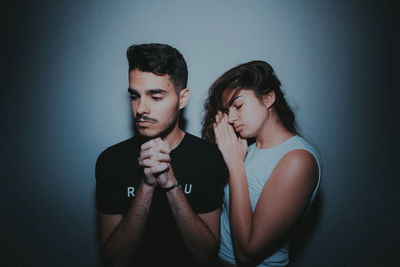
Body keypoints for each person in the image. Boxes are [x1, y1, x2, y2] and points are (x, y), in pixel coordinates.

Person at [95, 43, 226, 266]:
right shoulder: (111, 161)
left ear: (182, 99)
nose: (140, 109)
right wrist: (146, 185)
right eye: (134, 96)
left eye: (155, 97)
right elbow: (115, 258)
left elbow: (204, 253)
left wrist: (171, 184)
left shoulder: (208, 158)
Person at [202, 60, 321, 266]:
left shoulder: (298, 160)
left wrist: (235, 165)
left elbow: (248, 252)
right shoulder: (246, 148)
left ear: (268, 98)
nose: (231, 118)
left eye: (238, 105)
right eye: (227, 110)